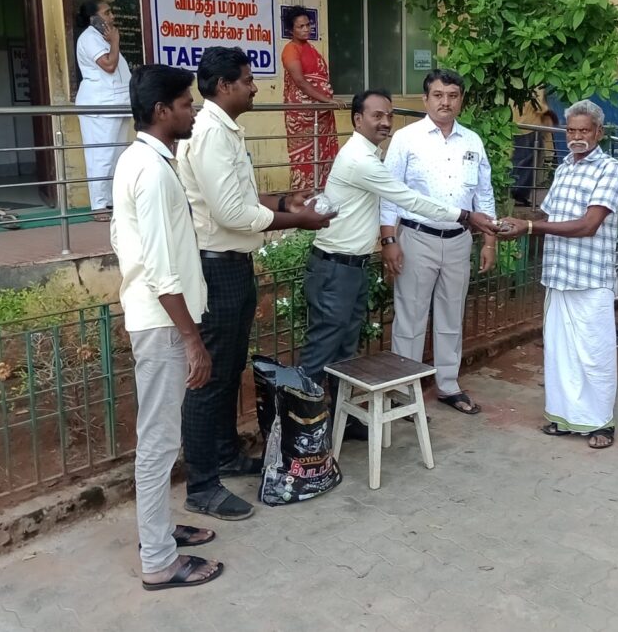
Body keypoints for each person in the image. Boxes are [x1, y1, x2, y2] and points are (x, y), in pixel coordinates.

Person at [175, 46, 335, 521]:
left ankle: (225, 454)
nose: (255, 87)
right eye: (247, 80)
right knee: (209, 377)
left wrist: (285, 200)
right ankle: (202, 485)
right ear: (224, 86)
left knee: (229, 370)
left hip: (233, 262)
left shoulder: (225, 130)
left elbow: (240, 197)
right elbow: (230, 213)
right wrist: (296, 221)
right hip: (216, 266)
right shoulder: (209, 134)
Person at [300, 89, 497, 437]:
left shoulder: (372, 154)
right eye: (376, 115)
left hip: (354, 265)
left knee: (344, 352)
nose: (385, 122)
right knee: (321, 353)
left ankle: (341, 424)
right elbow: (407, 199)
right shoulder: (361, 159)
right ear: (357, 119)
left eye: (389, 115)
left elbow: (481, 188)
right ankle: (302, 432)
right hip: (337, 266)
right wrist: (465, 216)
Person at [110, 64, 222, 590]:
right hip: (162, 324)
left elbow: (123, 238)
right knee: (157, 441)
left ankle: (157, 530)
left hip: (157, 318)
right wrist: (192, 339)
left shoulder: (140, 159)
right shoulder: (152, 171)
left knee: (161, 435)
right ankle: (157, 560)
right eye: (185, 103)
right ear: (161, 111)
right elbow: (159, 268)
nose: (193, 111)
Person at [497, 100, 618, 449]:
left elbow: (588, 225)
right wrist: (515, 223)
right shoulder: (565, 166)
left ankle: (601, 423)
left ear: (599, 132)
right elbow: (549, 215)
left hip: (590, 278)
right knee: (560, 353)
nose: (576, 137)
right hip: (558, 274)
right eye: (571, 130)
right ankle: (564, 417)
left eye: (584, 130)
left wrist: (528, 227)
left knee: (594, 354)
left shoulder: (610, 169)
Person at [380, 70, 497, 416]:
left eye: (452, 95)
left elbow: (484, 194)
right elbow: (388, 193)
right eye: (438, 95)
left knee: (451, 316)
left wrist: (489, 241)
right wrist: (389, 239)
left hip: (459, 241)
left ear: (461, 100)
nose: (445, 102)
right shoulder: (407, 139)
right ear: (425, 99)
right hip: (417, 238)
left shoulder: (472, 141)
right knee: (410, 317)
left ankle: (448, 385)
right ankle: (403, 390)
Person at [75, 0, 132, 221]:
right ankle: (99, 205)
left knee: (117, 155)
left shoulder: (102, 38)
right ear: (94, 19)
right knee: (101, 155)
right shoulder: (89, 38)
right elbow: (109, 65)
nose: (112, 17)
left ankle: (111, 201)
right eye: (107, 13)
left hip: (117, 104)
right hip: (101, 104)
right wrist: (115, 42)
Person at [282, 6, 339, 190]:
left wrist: (325, 102)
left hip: (321, 115)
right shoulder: (290, 50)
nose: (306, 29)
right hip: (303, 117)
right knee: (304, 161)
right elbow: (300, 81)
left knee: (323, 158)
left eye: (308, 25)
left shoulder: (311, 49)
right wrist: (326, 100)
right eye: (301, 26)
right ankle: (304, 198)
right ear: (291, 30)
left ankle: (323, 195)